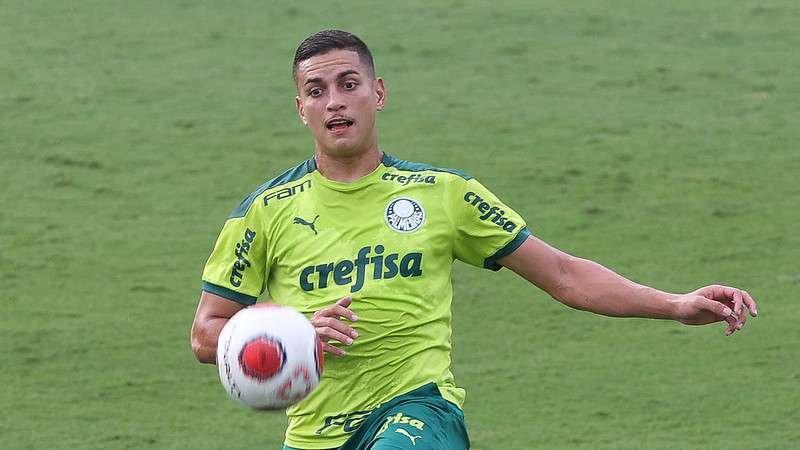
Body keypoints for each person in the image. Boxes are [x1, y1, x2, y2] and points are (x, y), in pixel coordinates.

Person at [190, 30, 758, 450]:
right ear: (301, 108)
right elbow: (206, 334)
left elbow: (562, 274)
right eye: (316, 90)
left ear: (378, 92)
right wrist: (290, 330)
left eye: (348, 84)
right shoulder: (265, 212)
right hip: (313, 433)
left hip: (417, 414)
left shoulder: (444, 194)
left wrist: (675, 305)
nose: (334, 100)